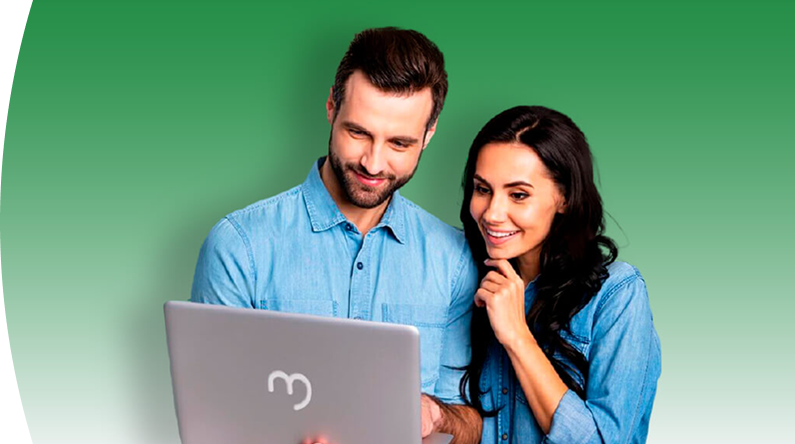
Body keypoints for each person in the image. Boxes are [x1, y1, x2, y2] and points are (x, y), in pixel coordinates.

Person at [190, 27, 482, 443]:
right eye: (358, 132)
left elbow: (472, 423)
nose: (373, 162)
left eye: (400, 143)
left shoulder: (453, 260)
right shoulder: (240, 246)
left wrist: (438, 416)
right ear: (331, 106)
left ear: (428, 135)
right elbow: (209, 421)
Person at [459, 106, 661, 443]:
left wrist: (517, 337)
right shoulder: (469, 280)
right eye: (483, 189)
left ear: (564, 197)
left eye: (518, 195)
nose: (492, 213)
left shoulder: (617, 296)